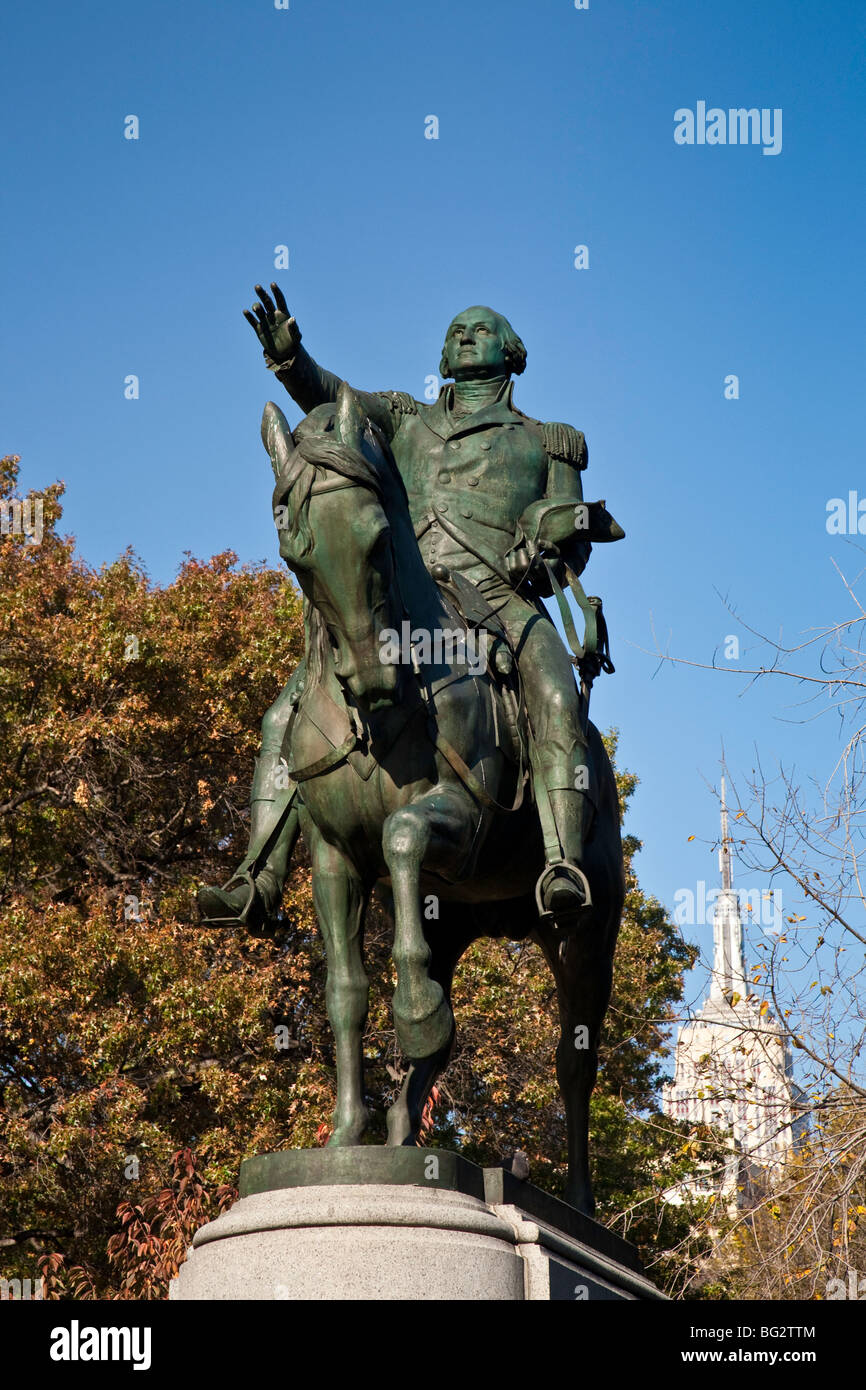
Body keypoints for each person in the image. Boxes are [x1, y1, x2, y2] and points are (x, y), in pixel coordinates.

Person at [198, 284, 612, 931]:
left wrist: (553, 534)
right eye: (455, 330)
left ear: (511, 351)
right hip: (410, 592)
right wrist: (291, 359)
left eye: (481, 328)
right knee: (288, 709)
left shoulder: (548, 440)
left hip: (500, 595)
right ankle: (259, 874)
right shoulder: (402, 420)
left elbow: (573, 548)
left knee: (555, 698)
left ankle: (561, 861)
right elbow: (334, 400)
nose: (464, 334)